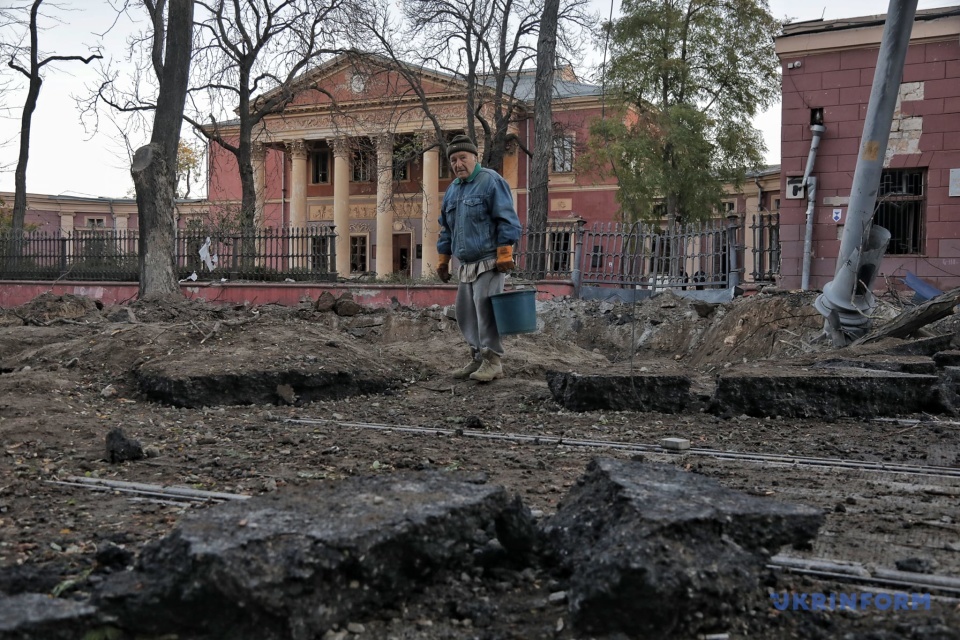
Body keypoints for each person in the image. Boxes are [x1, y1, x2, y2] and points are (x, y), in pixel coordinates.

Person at [436, 134, 521, 382]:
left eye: (463, 157)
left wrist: (505, 252)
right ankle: (476, 358)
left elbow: (507, 219)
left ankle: (493, 361)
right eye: (453, 160)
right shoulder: (452, 190)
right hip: (466, 263)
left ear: (475, 157)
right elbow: (446, 229)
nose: (458, 163)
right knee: (466, 313)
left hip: (490, 260)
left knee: (486, 311)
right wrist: (443, 259)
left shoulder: (491, 181)